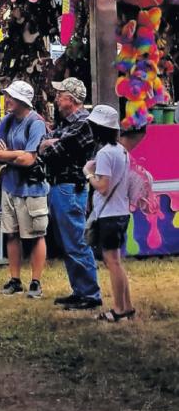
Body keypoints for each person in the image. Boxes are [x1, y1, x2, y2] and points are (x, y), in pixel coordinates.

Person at [38, 78, 103, 310]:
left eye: (61, 94)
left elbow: (53, 150)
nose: (56, 98)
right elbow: (43, 144)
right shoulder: (67, 123)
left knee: (75, 240)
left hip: (70, 188)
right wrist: (49, 142)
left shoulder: (83, 123)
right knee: (67, 241)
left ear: (72, 99)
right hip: (61, 187)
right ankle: (80, 290)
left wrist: (50, 143)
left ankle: (90, 294)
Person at [0, 81, 49, 300]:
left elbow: (29, 159)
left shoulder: (36, 123)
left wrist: (8, 154)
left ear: (23, 101)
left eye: (11, 97)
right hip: (10, 186)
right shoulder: (6, 121)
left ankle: (36, 281)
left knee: (36, 235)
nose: (7, 100)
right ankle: (15, 280)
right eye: (7, 96)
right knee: (11, 233)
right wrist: (17, 154)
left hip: (32, 188)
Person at [82, 106, 135, 322]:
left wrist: (88, 174)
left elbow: (103, 186)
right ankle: (127, 307)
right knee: (116, 262)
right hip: (120, 211)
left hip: (109, 215)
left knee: (112, 262)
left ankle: (118, 309)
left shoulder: (104, 153)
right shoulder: (121, 151)